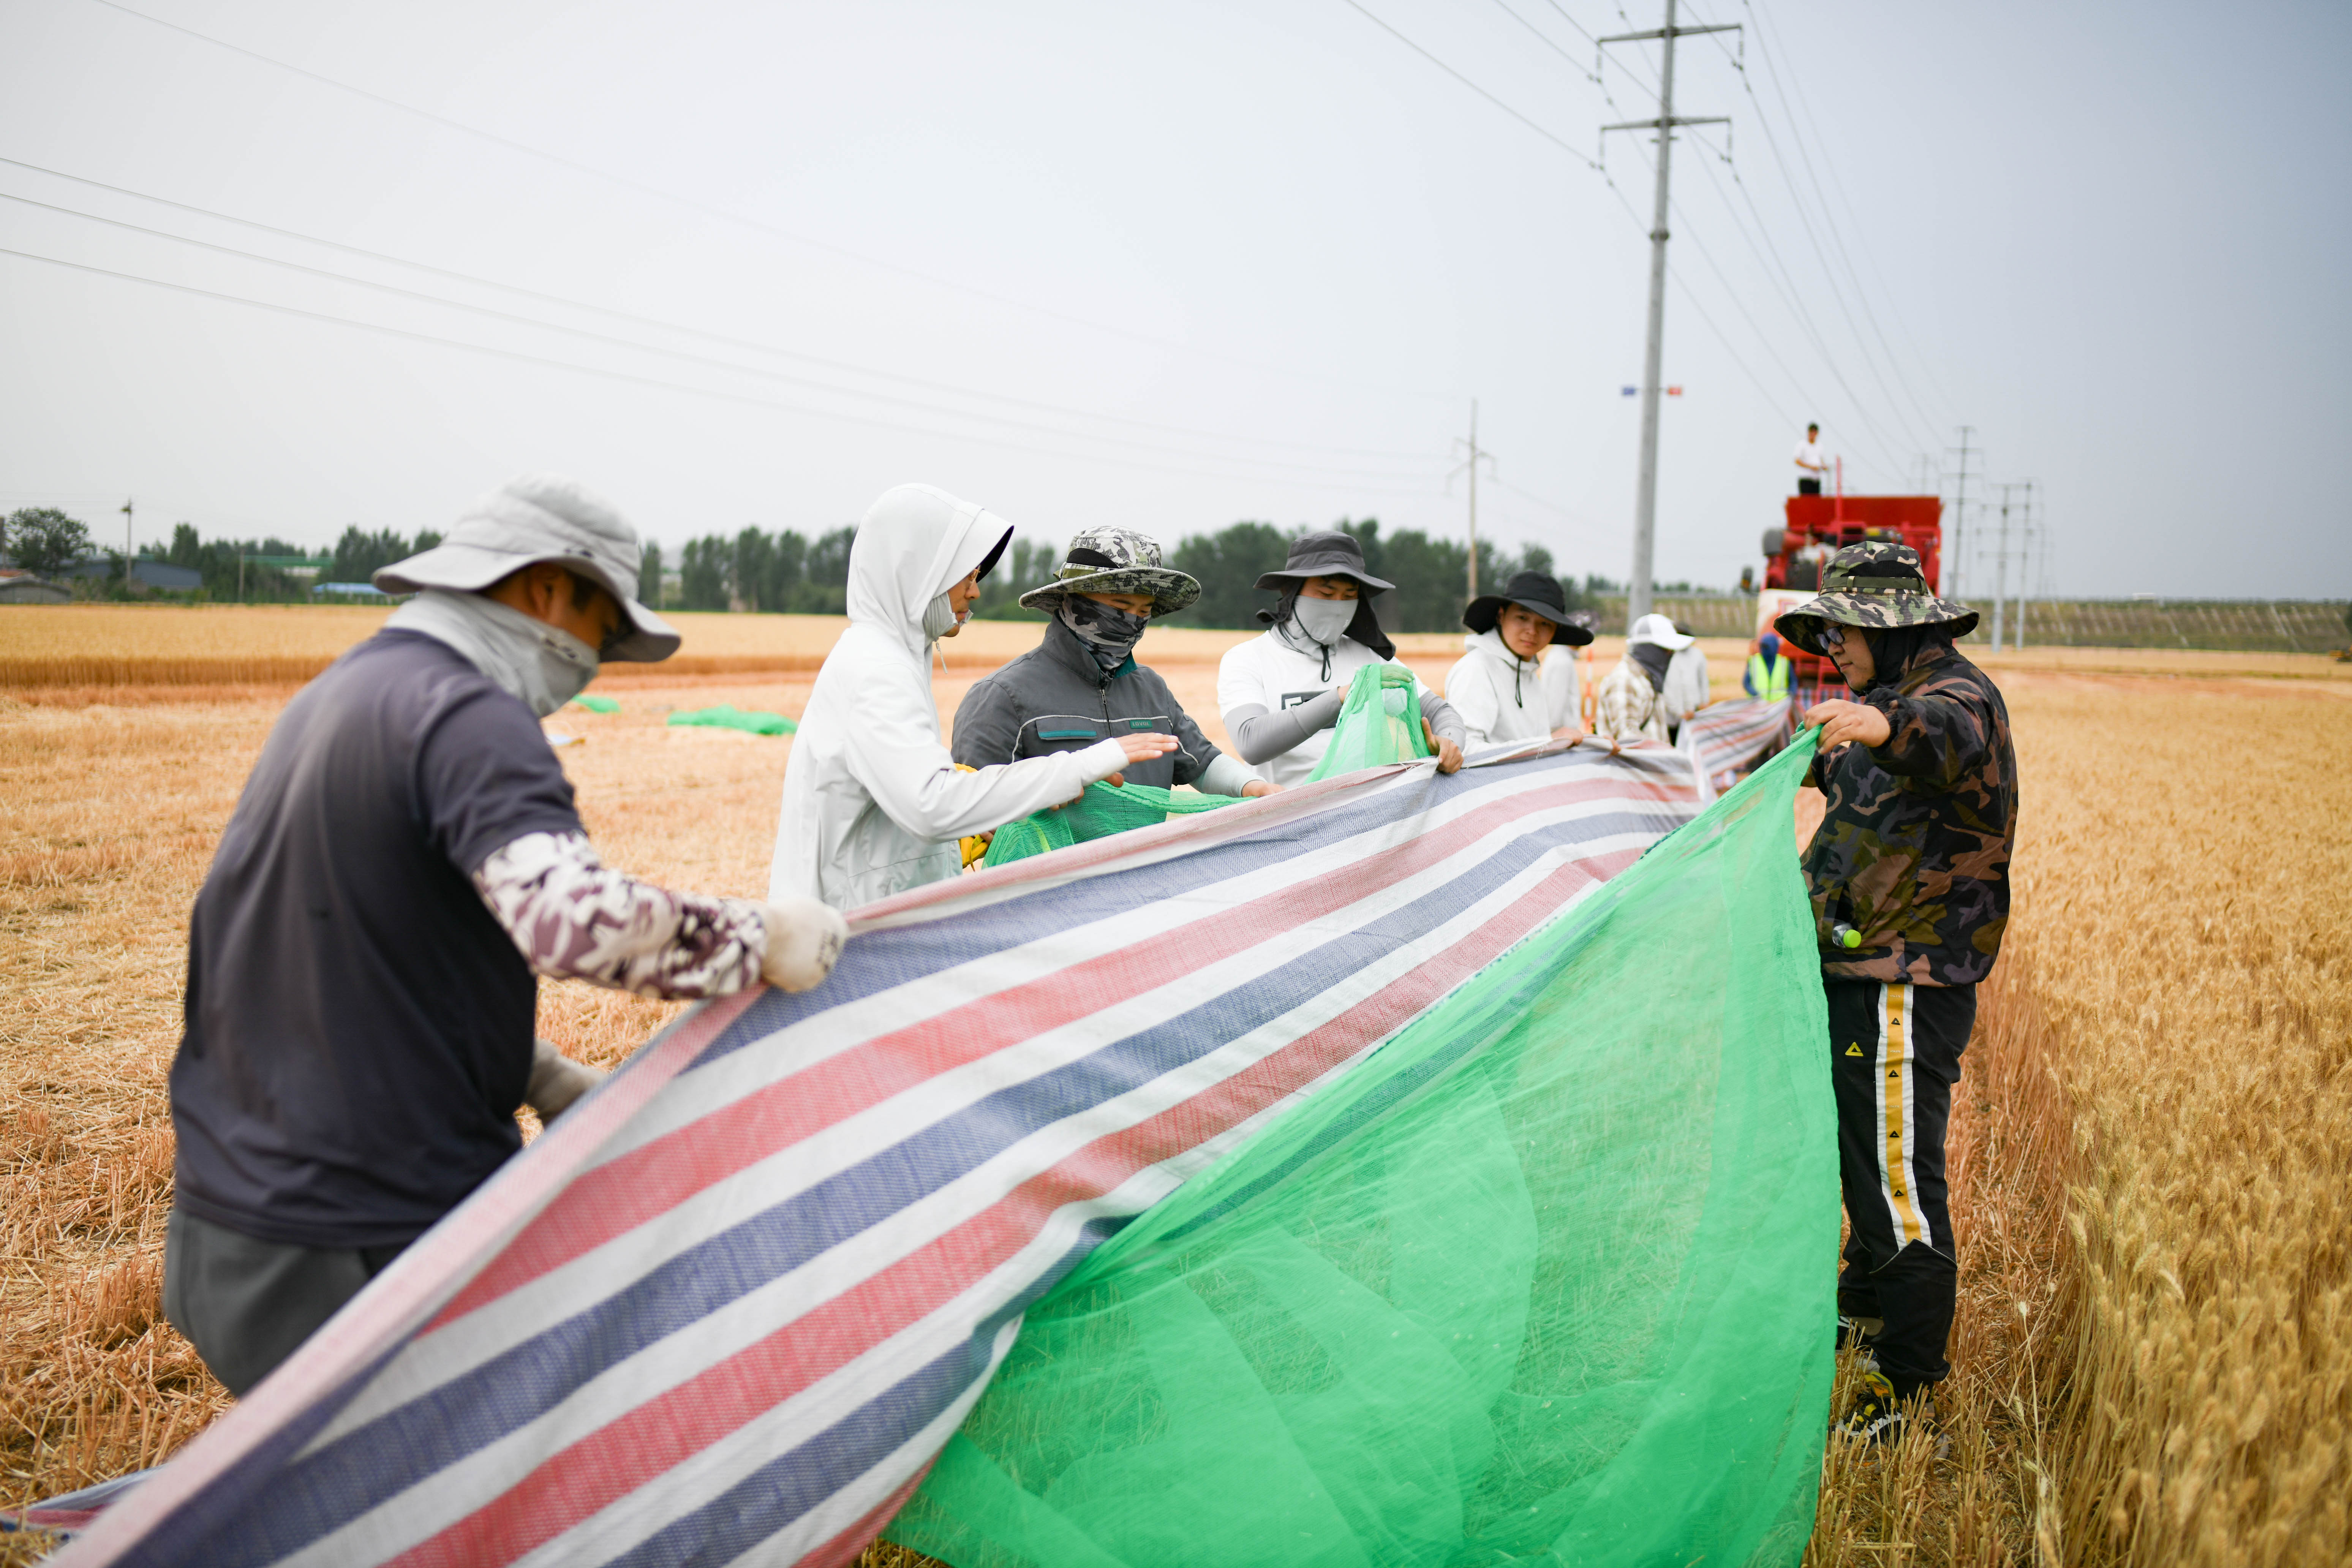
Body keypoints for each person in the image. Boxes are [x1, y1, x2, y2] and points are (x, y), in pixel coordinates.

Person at [165, 474, 851, 1397]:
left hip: (232, 1218)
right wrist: (760, 937)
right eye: (602, 632)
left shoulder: (343, 695)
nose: (593, 664)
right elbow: (574, 919)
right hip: (360, 1234)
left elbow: (362, 946)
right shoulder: (469, 716)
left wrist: (533, 1069)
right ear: (546, 590)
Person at [1777, 541, 2015, 1448]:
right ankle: (1861, 1312)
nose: (1831, 645)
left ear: (1894, 625)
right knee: (1863, 1162)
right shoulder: (1872, 709)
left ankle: (1908, 1389)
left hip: (1904, 979)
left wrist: (1880, 727)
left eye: (1843, 628)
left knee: (1897, 1174)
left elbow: (1941, 734)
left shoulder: (1953, 699)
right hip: (1860, 966)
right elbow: (1829, 765)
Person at [768, 485, 1176, 910]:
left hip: (866, 915)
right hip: (854, 929)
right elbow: (932, 806)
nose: (975, 591)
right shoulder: (880, 672)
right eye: (965, 574)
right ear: (919, 572)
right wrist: (1077, 768)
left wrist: (995, 807)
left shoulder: (884, 657)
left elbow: (911, 794)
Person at [952, 527, 1274, 802]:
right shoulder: (1002, 696)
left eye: (1145, 609)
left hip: (1147, 874)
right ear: (1073, 601)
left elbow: (1200, 763)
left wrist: (1252, 788)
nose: (1132, 620)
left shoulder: (1151, 689)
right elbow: (971, 804)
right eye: (1121, 605)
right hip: (1052, 874)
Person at [1215, 531, 1467, 787]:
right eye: (1326, 594)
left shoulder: (1370, 658)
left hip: (1364, 814)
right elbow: (1251, 742)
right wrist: (1342, 697)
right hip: (1287, 817)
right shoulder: (1248, 659)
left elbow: (1439, 711)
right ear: (1291, 591)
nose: (1338, 606)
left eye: (1349, 597)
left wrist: (1449, 742)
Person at [1443, 570, 1593, 749]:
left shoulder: (1528, 673)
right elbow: (1465, 751)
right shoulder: (1476, 669)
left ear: (1555, 630)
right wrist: (1546, 743)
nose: (1532, 631)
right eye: (1522, 618)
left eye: (1545, 623)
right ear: (1501, 616)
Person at [1590, 612, 1692, 744]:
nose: (1670, 654)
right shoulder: (1625, 680)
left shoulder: (1647, 681)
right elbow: (1627, 739)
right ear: (1650, 650)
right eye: (1666, 649)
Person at [1661, 620, 1710, 741]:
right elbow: (1667, 688)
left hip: (1694, 712)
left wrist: (1704, 702)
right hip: (1673, 717)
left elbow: (1703, 681)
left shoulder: (1697, 655)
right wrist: (1680, 712)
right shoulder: (1668, 657)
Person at [1744, 631, 1791, 700]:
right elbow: (1746, 683)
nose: (1765, 650)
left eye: (1766, 647)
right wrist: (1755, 694)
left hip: (1779, 706)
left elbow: (1793, 682)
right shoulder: (1753, 661)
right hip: (1757, 704)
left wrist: (1791, 695)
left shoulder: (1784, 663)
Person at [1795, 422, 1827, 496]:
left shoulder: (1820, 446)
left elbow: (1821, 461)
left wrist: (1823, 467)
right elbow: (1797, 461)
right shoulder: (1802, 445)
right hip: (1805, 479)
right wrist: (1811, 467)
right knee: (1807, 503)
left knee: (1816, 503)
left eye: (1814, 432)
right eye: (1811, 432)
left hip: (1816, 480)